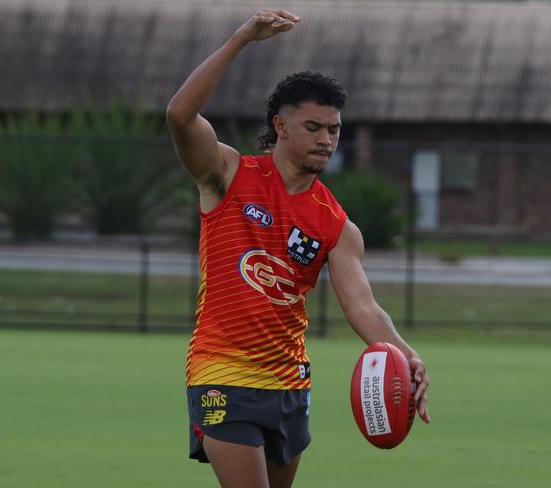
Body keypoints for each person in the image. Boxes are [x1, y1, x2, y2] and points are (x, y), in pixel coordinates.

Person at [166, 9, 430, 488]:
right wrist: (241, 40)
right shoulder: (228, 175)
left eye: (334, 129)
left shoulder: (336, 225)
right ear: (280, 127)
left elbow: (363, 306)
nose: (326, 139)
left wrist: (407, 355)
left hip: (291, 385)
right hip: (222, 374)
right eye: (313, 127)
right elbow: (180, 116)